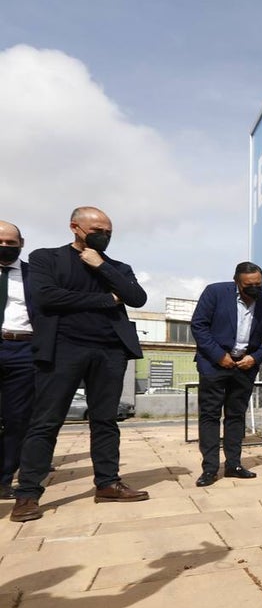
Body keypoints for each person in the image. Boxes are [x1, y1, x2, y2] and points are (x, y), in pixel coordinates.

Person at [12, 207, 149, 522]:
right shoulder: (47, 258)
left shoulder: (117, 266)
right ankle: (27, 495)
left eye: (109, 231)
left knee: (105, 421)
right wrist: (106, 300)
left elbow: (136, 298)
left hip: (110, 351)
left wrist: (101, 266)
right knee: (46, 422)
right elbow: (46, 297)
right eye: (98, 228)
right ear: (75, 226)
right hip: (63, 349)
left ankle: (108, 483)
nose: (105, 234)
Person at [191, 262, 262, 487]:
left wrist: (255, 358)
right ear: (237, 282)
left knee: (236, 415)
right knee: (210, 415)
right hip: (214, 363)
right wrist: (219, 356)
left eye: (258, 284)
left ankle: (234, 465)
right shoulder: (215, 292)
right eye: (249, 285)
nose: (254, 288)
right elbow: (199, 326)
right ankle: (210, 469)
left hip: (245, 366)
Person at [0, 221, 38, 505]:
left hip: (23, 348)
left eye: (11, 243)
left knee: (17, 419)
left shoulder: (34, 275)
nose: (5, 246)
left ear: (21, 243)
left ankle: (3, 480)